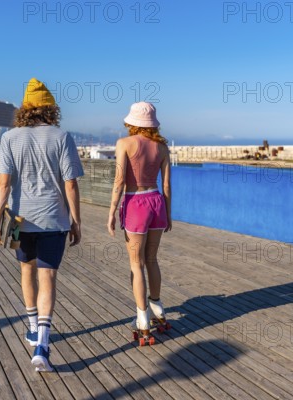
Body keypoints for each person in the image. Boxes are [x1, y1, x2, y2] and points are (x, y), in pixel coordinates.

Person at [0, 78, 83, 372]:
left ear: (25, 108)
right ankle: (42, 342)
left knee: (25, 270)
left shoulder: (9, 138)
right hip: (53, 220)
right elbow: (70, 184)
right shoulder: (62, 137)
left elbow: (3, 184)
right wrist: (75, 221)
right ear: (50, 109)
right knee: (48, 278)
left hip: (18, 220)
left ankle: (32, 327)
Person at [107, 102, 172, 341]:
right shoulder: (162, 147)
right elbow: (166, 185)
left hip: (136, 203)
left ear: (132, 122)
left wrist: (112, 211)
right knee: (152, 259)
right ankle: (157, 306)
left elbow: (119, 181)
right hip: (156, 202)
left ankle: (142, 316)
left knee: (136, 264)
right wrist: (169, 213)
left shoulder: (124, 144)